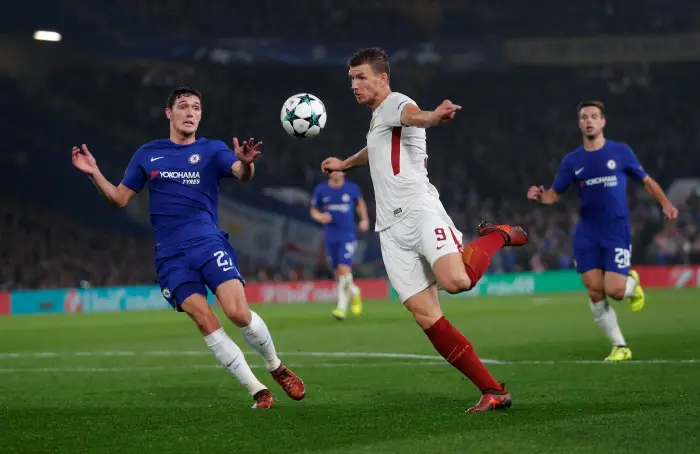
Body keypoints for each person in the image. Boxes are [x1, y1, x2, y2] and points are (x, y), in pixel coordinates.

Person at [321, 48, 528, 412]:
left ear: (383, 78)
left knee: (457, 282)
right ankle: (493, 391)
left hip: (419, 211)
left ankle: (498, 235)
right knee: (426, 316)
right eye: (351, 79)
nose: (354, 85)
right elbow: (376, 148)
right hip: (389, 229)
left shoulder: (397, 102)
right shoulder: (377, 119)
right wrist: (345, 163)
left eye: (361, 77)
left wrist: (434, 116)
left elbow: (414, 117)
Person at [71, 86, 305, 409]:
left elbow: (240, 173)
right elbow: (119, 199)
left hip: (208, 243)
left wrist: (247, 164)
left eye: (196, 107)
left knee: (237, 312)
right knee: (205, 319)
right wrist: (94, 173)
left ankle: (275, 366)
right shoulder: (147, 154)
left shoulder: (213, 150)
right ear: (170, 113)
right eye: (183, 106)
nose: (191, 112)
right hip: (171, 257)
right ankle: (257, 390)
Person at [527, 100, 679, 361]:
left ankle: (632, 284)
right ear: (579, 123)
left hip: (615, 228)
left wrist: (665, 202)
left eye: (594, 116)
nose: (589, 121)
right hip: (587, 230)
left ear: (603, 121)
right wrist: (540, 197)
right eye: (584, 117)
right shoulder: (572, 160)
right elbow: (555, 194)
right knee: (595, 290)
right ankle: (620, 346)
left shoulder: (620, 152)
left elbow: (646, 182)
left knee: (616, 291)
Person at [310, 170, 370, 320]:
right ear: (329, 173)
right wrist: (319, 216)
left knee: (344, 268)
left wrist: (364, 220)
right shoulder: (322, 190)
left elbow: (360, 204)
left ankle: (341, 308)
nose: (338, 173)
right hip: (330, 236)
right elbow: (314, 210)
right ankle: (355, 292)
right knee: (339, 272)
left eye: (340, 170)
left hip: (347, 235)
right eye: (334, 171)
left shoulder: (351, 189)